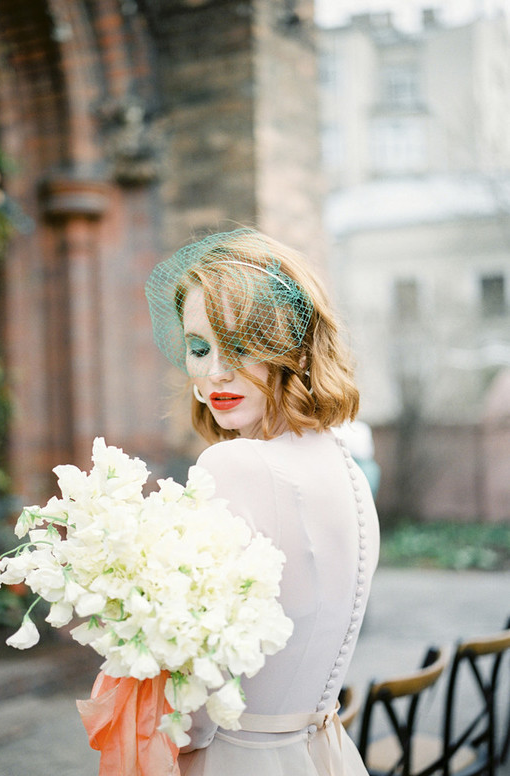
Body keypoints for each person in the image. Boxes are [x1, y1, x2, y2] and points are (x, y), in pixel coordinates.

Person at [145, 228, 380, 776]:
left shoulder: (234, 467)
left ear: (291, 347)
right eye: (199, 347)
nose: (214, 371)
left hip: (237, 757)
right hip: (326, 753)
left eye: (243, 345)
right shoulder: (345, 466)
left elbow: (202, 685)